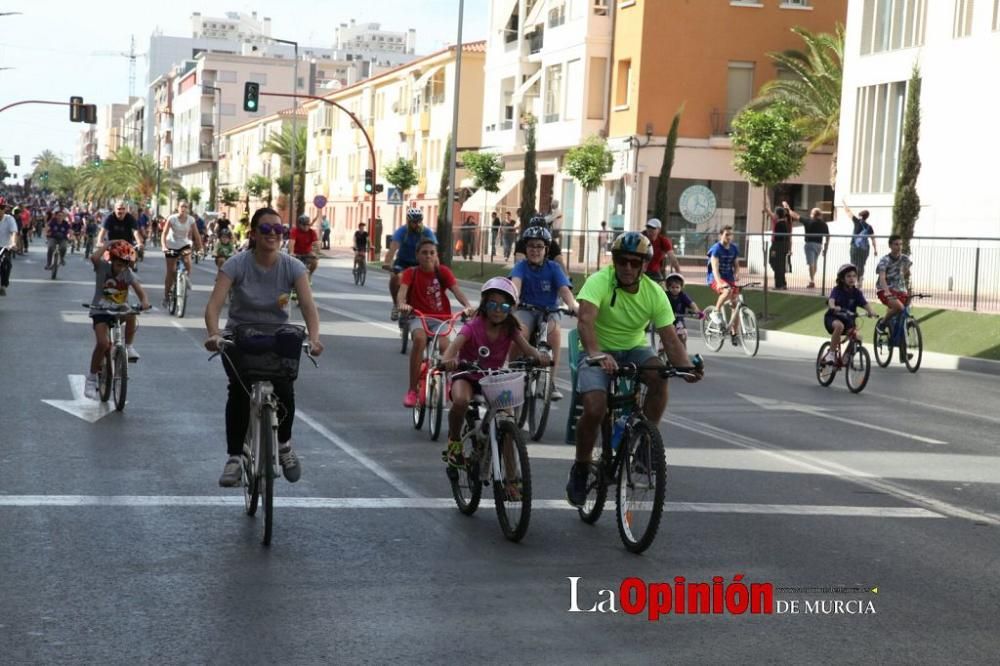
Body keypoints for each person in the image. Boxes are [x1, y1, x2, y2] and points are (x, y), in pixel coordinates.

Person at [567, 231, 701, 507]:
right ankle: (581, 468)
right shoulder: (599, 281)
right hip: (596, 348)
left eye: (634, 262)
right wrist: (595, 353)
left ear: (644, 265)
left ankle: (644, 442)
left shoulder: (654, 293)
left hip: (634, 348)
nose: (627, 267)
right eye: (622, 261)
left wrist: (686, 368)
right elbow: (585, 322)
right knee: (594, 407)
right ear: (614, 262)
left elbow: (670, 339)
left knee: (660, 376)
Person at [204, 207, 324, 487]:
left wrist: (315, 338)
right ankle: (235, 457)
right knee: (239, 390)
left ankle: (283, 445)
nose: (273, 235)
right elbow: (214, 305)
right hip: (239, 335)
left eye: (278, 230)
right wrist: (214, 334)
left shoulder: (292, 266)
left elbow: (308, 306)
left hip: (279, 336)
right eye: (266, 229)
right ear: (254, 234)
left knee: (285, 389)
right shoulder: (236, 264)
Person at [440, 277, 548, 471]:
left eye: (504, 306)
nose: (498, 310)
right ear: (484, 305)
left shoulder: (510, 329)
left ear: (511, 309)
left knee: (507, 422)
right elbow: (453, 348)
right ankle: (454, 441)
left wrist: (540, 357)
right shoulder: (473, 326)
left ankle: (512, 479)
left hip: (493, 379)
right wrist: (448, 360)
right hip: (467, 374)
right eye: (493, 304)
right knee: (461, 402)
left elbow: (527, 347)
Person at [396, 239, 475, 408]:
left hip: (441, 318)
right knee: (419, 339)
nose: (428, 256)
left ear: (436, 255)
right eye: (424, 253)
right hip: (419, 316)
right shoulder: (411, 273)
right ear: (417, 255)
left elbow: (457, 291)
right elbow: (402, 293)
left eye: (432, 253)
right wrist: (402, 304)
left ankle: (447, 382)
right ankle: (412, 389)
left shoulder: (443, 272)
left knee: (446, 346)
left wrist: (468, 306)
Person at [510, 226, 578, 401]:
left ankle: (551, 383)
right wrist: (514, 298)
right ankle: (511, 371)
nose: (535, 250)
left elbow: (564, 290)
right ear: (526, 248)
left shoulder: (554, 267)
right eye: (531, 246)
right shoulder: (521, 267)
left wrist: (571, 304)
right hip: (526, 309)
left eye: (539, 246)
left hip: (549, 312)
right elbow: (515, 284)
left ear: (546, 249)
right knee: (520, 331)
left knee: (554, 333)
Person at [84, 240, 151, 400]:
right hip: (100, 310)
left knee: (131, 313)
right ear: (112, 260)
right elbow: (94, 258)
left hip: (119, 310)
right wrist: (107, 244)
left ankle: (128, 346)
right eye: (118, 263)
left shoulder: (127, 273)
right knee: (103, 344)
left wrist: (144, 301)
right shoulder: (103, 268)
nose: (121, 268)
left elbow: (139, 290)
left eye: (124, 264)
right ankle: (91, 380)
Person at [383, 207, 438, 320]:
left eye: (419, 221)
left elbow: (434, 253)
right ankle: (396, 304)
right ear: (408, 221)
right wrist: (387, 262)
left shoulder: (427, 232)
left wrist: (437, 268)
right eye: (414, 222)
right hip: (403, 262)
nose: (416, 224)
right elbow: (393, 248)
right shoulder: (402, 231)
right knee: (394, 278)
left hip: (420, 263)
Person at [823, 263, 877, 364]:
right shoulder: (837, 290)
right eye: (848, 276)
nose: (852, 278)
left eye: (854, 276)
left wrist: (871, 312)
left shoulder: (857, 293)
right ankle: (831, 354)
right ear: (842, 279)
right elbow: (831, 301)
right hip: (833, 318)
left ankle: (846, 357)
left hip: (848, 320)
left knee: (857, 338)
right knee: (839, 326)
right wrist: (833, 307)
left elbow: (865, 304)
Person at [160, 200, 203, 309]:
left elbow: (197, 236)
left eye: (186, 207)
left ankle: (185, 280)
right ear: (178, 207)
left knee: (188, 261)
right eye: (182, 206)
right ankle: (166, 297)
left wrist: (200, 248)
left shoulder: (191, 220)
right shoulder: (172, 218)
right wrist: (164, 246)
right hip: (171, 245)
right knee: (170, 271)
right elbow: (164, 234)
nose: (183, 209)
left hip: (184, 244)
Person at [706, 226, 742, 337]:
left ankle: (734, 333)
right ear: (721, 235)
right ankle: (715, 312)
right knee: (727, 291)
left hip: (729, 278)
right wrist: (719, 282)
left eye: (731, 234)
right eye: (726, 234)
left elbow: (736, 265)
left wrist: (736, 274)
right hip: (715, 278)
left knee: (735, 305)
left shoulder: (734, 248)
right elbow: (715, 268)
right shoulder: (716, 249)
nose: (729, 237)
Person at [875, 234, 912, 333]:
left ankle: (898, 333)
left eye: (900, 244)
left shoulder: (905, 259)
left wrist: (904, 283)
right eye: (896, 244)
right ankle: (882, 323)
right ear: (890, 246)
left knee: (907, 306)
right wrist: (887, 291)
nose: (899, 247)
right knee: (899, 307)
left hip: (899, 290)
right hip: (885, 290)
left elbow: (906, 272)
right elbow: (882, 278)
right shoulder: (885, 260)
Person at [843, 202, 878, 287]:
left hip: (855, 247)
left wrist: (844, 203)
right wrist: (875, 250)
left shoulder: (856, 221)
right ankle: (860, 279)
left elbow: (848, 211)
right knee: (861, 264)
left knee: (853, 264)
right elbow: (873, 239)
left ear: (860, 216)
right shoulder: (869, 227)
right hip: (865, 249)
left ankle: (853, 281)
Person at [663, 272, 701, 348]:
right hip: (667, 319)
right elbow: (660, 305)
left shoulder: (683, 296)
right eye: (672, 287)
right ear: (668, 287)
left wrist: (697, 310)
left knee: (682, 334)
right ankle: (662, 348)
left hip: (679, 319)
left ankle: (683, 349)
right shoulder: (665, 295)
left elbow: (691, 303)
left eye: (677, 287)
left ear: (681, 287)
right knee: (666, 335)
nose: (675, 289)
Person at [765, 200, 795, 290]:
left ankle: (779, 284)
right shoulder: (786, 223)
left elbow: (778, 238)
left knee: (775, 263)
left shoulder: (779, 224)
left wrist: (774, 249)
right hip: (783, 247)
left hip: (777, 247)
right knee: (780, 265)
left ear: (777, 214)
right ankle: (782, 283)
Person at [642, 218, 681, 283]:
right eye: (648, 227)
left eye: (653, 228)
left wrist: (678, 273)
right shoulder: (641, 237)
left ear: (659, 230)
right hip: (640, 271)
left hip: (654, 272)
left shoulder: (663, 241)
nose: (650, 229)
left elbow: (672, 258)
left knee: (662, 289)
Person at [802, 208, 830, 288]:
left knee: (811, 263)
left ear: (813, 214)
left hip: (810, 244)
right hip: (819, 245)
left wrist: (788, 208)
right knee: (815, 263)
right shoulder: (824, 224)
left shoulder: (808, 221)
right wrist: (826, 248)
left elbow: (796, 216)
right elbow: (828, 236)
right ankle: (812, 279)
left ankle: (812, 281)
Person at [289, 214, 320, 283]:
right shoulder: (295, 231)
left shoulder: (312, 232)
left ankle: (309, 275)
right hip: (296, 253)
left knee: (315, 262)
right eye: (304, 225)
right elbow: (291, 242)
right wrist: (291, 252)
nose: (306, 227)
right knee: (291, 266)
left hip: (307, 252)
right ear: (299, 224)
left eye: (308, 225)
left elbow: (316, 244)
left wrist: (317, 253)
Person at [0, 204, 18, 296]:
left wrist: (13, 243)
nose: (0, 210)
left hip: (5, 246)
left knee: (6, 264)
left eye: (2, 208)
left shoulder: (9, 219)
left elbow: (13, 232)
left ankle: (3, 285)